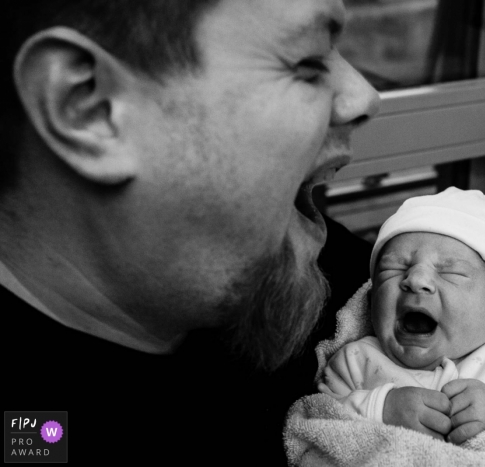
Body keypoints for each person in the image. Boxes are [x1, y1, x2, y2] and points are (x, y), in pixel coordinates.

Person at [2, 0, 379, 463]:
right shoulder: (30, 438)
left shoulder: (309, 263)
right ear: (88, 108)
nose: (363, 97)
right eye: (307, 61)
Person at [319, 188, 485, 444]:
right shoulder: (356, 361)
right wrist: (381, 409)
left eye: (450, 272)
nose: (416, 279)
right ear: (371, 298)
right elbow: (317, 421)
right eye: (393, 267)